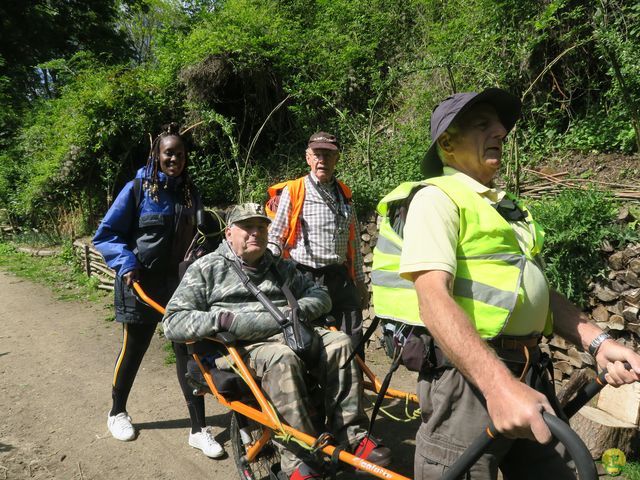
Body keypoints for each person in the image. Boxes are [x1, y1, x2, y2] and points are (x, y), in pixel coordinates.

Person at [389, 88, 640, 479]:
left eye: (500, 126)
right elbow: (432, 299)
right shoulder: (436, 199)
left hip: (529, 372)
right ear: (447, 142)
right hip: (470, 385)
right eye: (482, 124)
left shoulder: (506, 207)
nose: (501, 131)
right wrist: (499, 388)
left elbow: (537, 293)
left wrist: (598, 342)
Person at [162, 203, 391, 480]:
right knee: (281, 358)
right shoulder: (206, 268)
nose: (256, 233)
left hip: (294, 331)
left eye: (261, 227)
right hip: (242, 346)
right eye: (247, 227)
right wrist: (222, 321)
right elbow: (173, 321)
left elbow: (321, 296)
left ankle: (353, 437)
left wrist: (293, 313)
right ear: (229, 234)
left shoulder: (280, 267)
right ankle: (299, 461)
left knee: (341, 342)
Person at [93, 123, 224, 458]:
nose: (174, 159)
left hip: (177, 288)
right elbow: (107, 235)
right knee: (134, 349)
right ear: (156, 155)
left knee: (188, 353)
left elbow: (202, 236)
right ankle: (117, 412)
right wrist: (126, 265)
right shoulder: (137, 189)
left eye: (180, 154)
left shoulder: (190, 193)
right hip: (138, 285)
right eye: (168, 153)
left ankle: (198, 430)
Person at [267, 132, 368, 353]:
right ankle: (316, 386)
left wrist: (359, 282)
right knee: (309, 339)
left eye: (328, 155)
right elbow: (276, 235)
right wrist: (266, 269)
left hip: (340, 277)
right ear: (308, 158)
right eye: (317, 154)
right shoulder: (295, 190)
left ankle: (355, 384)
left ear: (337, 159)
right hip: (305, 277)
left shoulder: (345, 194)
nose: (322, 160)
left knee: (354, 335)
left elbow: (353, 244)